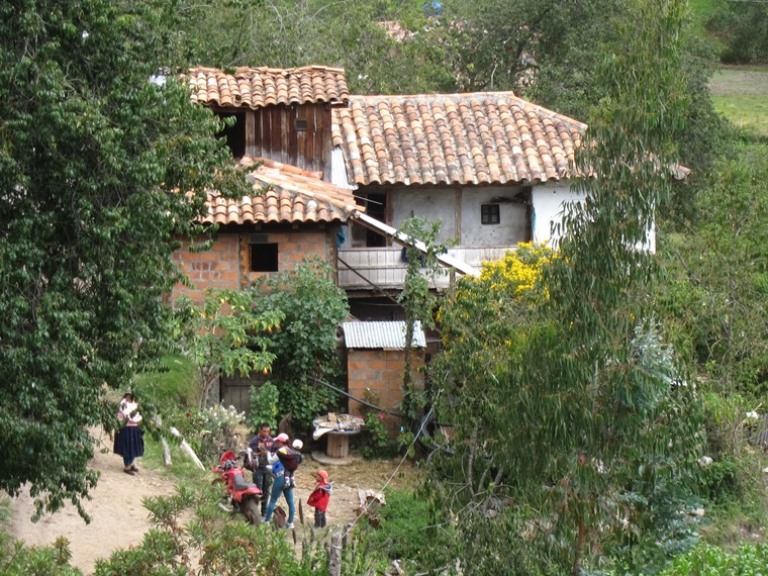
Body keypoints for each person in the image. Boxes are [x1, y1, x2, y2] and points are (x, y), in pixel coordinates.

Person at [261, 433, 303, 529]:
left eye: (277, 442)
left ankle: (266, 521)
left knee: (272, 500)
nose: (276, 443)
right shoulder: (290, 451)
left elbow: (271, 461)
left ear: (280, 442)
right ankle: (290, 523)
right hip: (290, 478)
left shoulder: (281, 450)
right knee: (291, 502)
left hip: (280, 477)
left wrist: (267, 452)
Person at [113, 392, 144, 475]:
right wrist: (137, 421)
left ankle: (131, 464)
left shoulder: (135, 403)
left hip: (134, 427)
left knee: (134, 446)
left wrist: (139, 421)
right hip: (125, 428)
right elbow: (128, 416)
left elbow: (139, 414)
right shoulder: (123, 404)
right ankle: (127, 466)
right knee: (127, 447)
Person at [247, 422, 275, 515]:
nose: (266, 433)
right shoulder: (254, 441)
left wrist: (268, 453)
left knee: (266, 492)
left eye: (268, 432)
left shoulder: (271, 440)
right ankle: (254, 513)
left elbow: (274, 453)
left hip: (268, 470)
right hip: (257, 469)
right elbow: (250, 454)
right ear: (260, 430)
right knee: (257, 491)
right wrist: (260, 453)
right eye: (264, 431)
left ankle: (264, 513)